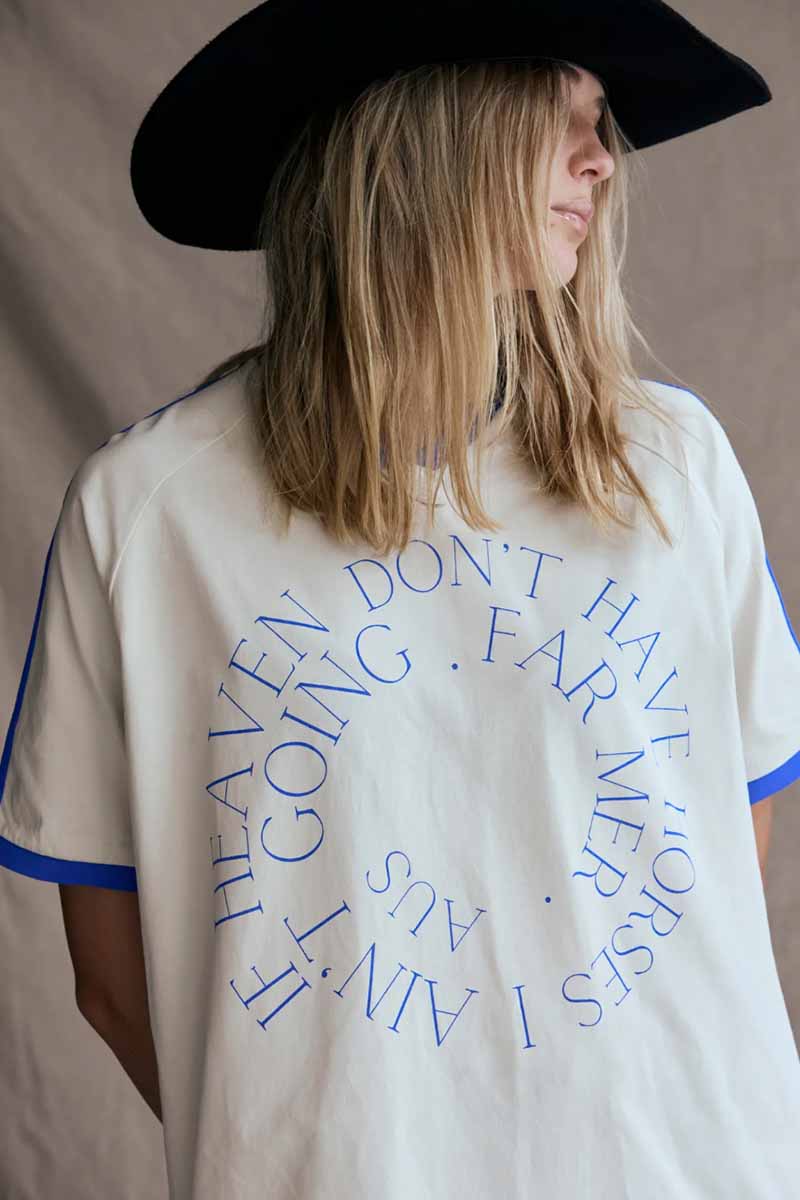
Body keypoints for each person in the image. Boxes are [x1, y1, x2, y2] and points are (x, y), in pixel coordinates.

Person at [1, 2, 798, 1197]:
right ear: (429, 131)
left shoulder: (669, 464)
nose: (600, 158)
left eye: (601, 122)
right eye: (558, 116)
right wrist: (317, 1145)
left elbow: (717, 847)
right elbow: (112, 977)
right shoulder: (152, 512)